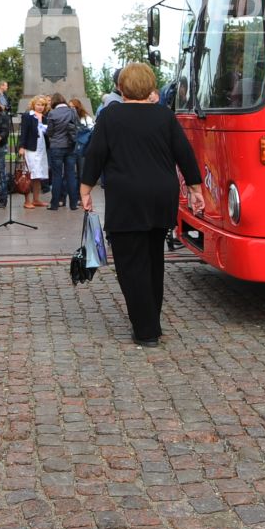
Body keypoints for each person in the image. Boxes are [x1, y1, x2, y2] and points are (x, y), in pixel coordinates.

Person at [79, 62, 203, 348]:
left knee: (130, 265)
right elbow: (184, 154)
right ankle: (152, 320)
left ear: (121, 87)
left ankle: (146, 330)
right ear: (150, 87)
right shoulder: (164, 115)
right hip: (161, 196)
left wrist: (85, 190)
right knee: (153, 260)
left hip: (127, 199)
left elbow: (95, 154)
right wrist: (196, 190)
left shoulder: (111, 116)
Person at [45, 95, 80, 210]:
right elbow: (77, 127)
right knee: (70, 175)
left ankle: (55, 204)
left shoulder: (52, 113)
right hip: (71, 146)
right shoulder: (73, 111)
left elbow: (49, 131)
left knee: (56, 176)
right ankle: (74, 204)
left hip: (56, 147)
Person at [19, 95, 49, 209]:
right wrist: (21, 147)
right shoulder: (28, 116)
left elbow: (46, 133)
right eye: (38, 104)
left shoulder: (45, 117)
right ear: (33, 105)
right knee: (29, 174)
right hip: (30, 149)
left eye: (42, 105)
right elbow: (24, 132)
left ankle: (36, 199)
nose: (40, 107)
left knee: (38, 175)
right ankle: (27, 201)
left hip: (41, 149)